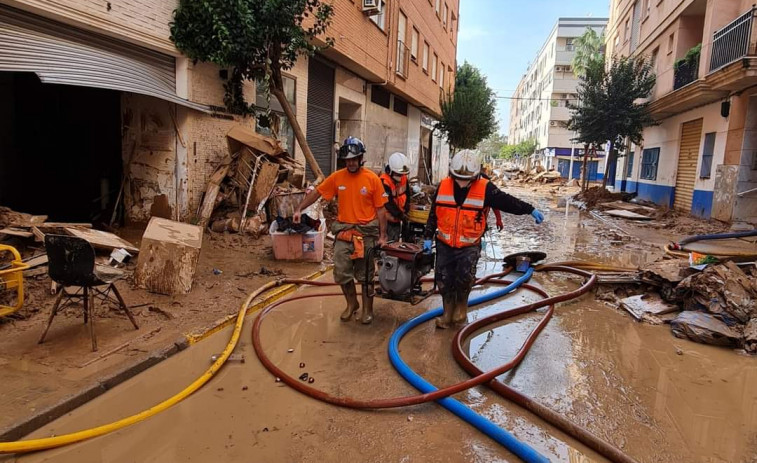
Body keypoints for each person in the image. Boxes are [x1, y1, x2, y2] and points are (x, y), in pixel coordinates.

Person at [423, 150, 545, 329]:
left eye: (467, 179)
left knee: (464, 279)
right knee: (444, 279)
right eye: (458, 178)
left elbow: (507, 201)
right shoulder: (442, 186)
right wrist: (427, 237)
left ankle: (461, 312)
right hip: (444, 244)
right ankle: (447, 314)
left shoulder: (485, 188)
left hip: (469, 246)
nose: (462, 183)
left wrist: (530, 209)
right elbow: (433, 214)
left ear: (475, 175)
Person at [294, 137, 388, 324]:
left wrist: (383, 236)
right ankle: (352, 303)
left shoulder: (372, 179)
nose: (351, 163)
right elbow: (317, 192)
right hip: (344, 232)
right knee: (341, 272)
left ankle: (368, 310)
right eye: (348, 160)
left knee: (365, 276)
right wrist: (299, 208)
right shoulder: (338, 177)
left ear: (361, 158)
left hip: (365, 233)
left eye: (354, 159)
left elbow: (381, 210)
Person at [380, 152, 410, 242]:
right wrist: (400, 215)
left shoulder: (404, 178)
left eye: (401, 175)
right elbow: (387, 202)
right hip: (387, 219)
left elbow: (407, 195)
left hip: (398, 217)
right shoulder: (384, 181)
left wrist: (406, 209)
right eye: (398, 175)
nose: (400, 177)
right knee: (388, 243)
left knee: (397, 242)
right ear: (390, 171)